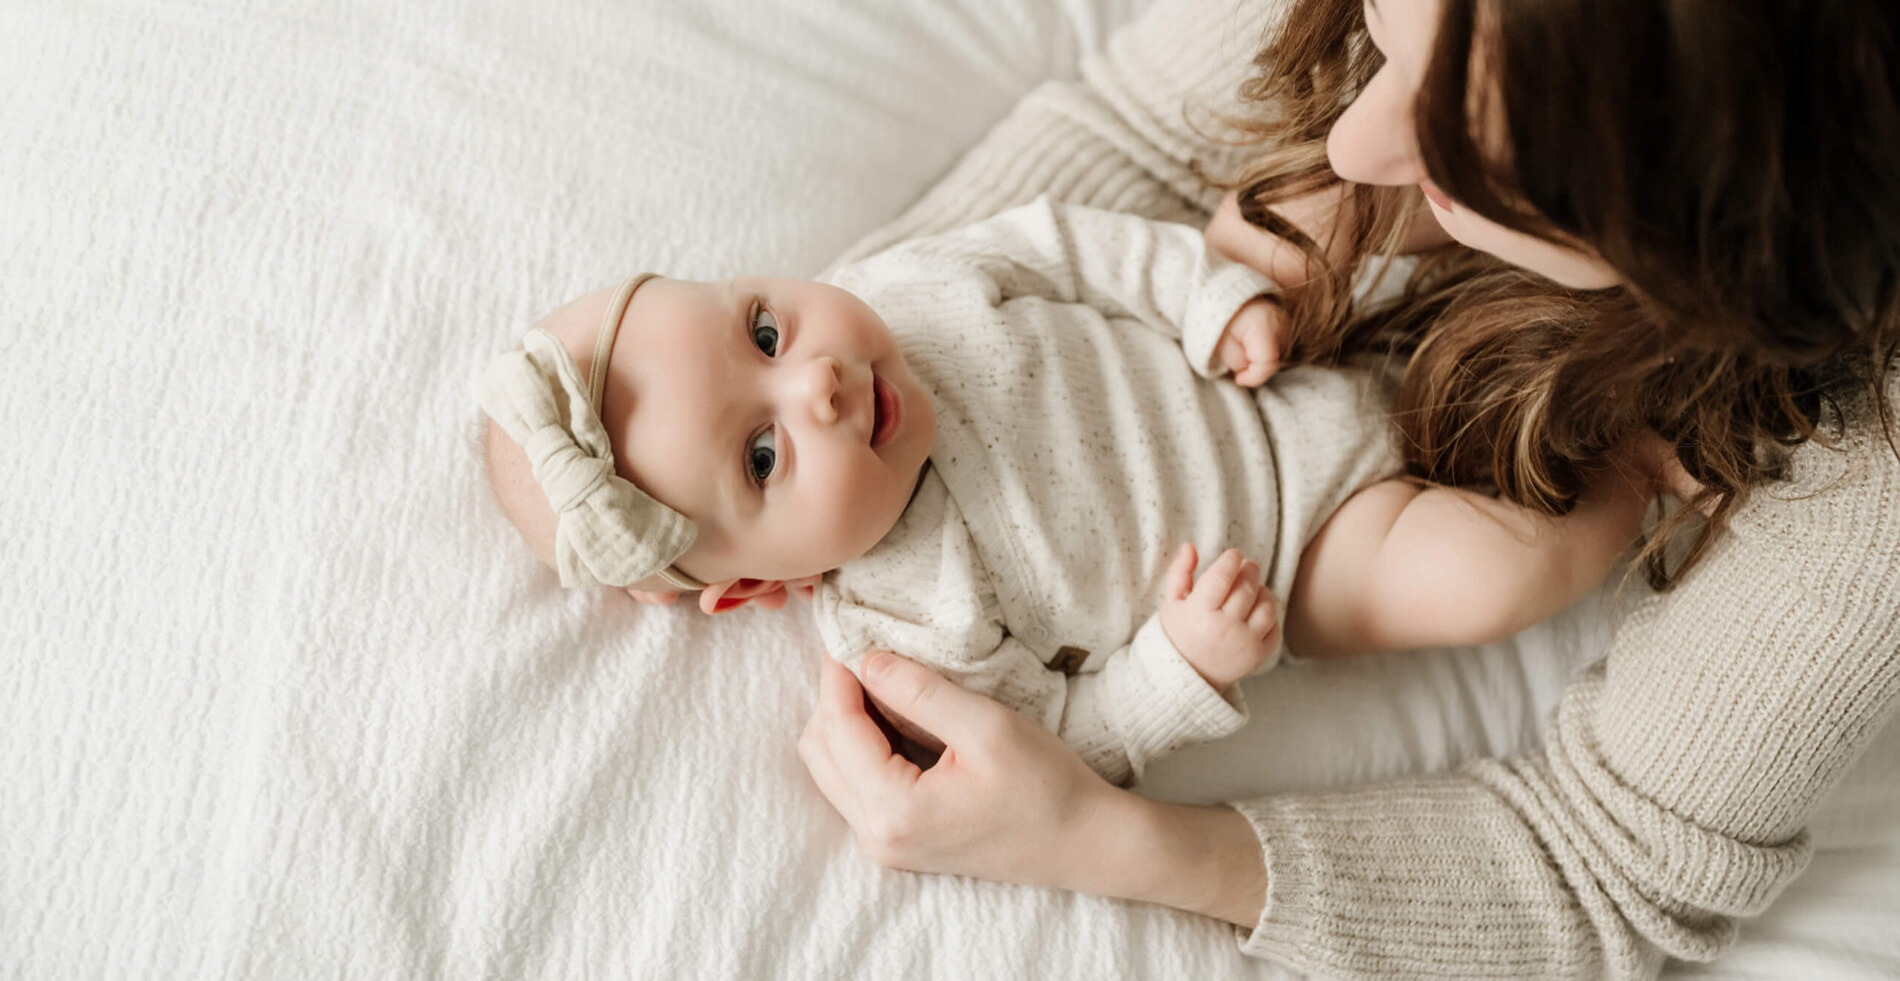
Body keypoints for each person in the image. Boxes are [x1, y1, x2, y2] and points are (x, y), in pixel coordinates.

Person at [793, 0, 1900, 976]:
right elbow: (1147, 130)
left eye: (1479, 154)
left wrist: (1108, 837)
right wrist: (745, 397)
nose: (1351, 144)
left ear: (1727, 243)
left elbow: (1604, 868)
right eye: (1380, 15)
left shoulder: (1874, 469)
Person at [476, 198, 1656, 786]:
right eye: (763, 458)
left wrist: (1208, 294)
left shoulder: (904, 286)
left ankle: (1574, 236)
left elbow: (1069, 247)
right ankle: (1653, 445)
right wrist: (1181, 668)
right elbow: (1060, 742)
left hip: (1258, 347)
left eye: (764, 327)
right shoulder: (906, 623)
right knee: (1482, 574)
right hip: (1309, 545)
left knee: (1306, 204)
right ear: (755, 589)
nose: (821, 384)